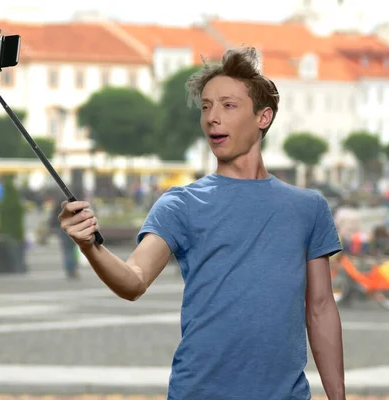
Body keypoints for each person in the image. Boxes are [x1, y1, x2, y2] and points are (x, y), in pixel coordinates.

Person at [58, 47, 345, 400]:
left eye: (228, 105)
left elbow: (320, 309)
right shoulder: (180, 204)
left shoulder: (308, 208)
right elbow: (133, 282)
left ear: (263, 117)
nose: (212, 117)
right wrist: (89, 245)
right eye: (206, 106)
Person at [50, 197, 79, 279]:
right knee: (72, 249)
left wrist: (52, 227)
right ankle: (73, 269)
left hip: (63, 229)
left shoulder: (59, 206)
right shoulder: (74, 205)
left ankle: (69, 270)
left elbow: (53, 217)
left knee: (67, 250)